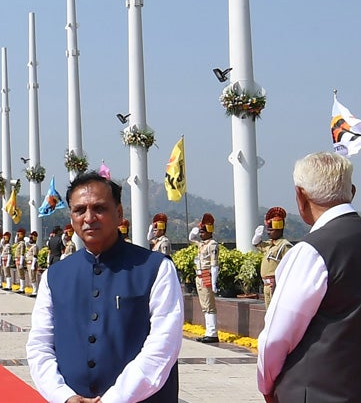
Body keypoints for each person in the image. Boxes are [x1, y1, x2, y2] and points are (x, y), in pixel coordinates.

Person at [26, 171, 183, 403]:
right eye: (79, 210)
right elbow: (39, 345)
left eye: (99, 208)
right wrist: (64, 396)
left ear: (119, 213)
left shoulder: (156, 268)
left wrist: (116, 398)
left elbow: (164, 344)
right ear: (71, 217)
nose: (89, 217)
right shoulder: (54, 276)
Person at [256, 152, 361, 402]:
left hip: (318, 392)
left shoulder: (311, 250)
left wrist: (267, 386)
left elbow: (276, 338)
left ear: (300, 196)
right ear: (351, 192)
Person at [252, 207, 293, 307]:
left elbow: (289, 268)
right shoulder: (270, 244)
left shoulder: (284, 245)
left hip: (275, 285)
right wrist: (257, 235)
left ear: (279, 229)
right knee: (268, 314)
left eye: (271, 230)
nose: (268, 232)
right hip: (266, 285)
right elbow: (256, 244)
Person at [189, 213, 220, 343]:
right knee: (204, 305)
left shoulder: (212, 244)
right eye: (200, 232)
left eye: (203, 231)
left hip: (207, 275)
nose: (201, 234)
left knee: (209, 305)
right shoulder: (202, 244)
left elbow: (214, 264)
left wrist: (213, 283)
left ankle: (212, 333)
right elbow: (191, 239)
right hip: (199, 275)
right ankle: (208, 331)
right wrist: (193, 232)